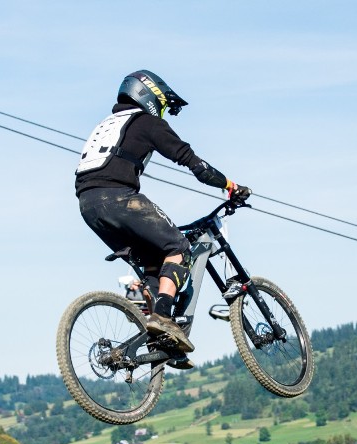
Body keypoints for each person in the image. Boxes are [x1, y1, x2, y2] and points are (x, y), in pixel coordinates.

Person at [75, 70, 251, 367]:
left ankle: (162, 338)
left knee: (154, 266)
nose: (165, 111)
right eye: (163, 104)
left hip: (88, 206)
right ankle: (161, 319)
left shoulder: (106, 124)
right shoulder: (145, 122)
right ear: (149, 95)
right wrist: (230, 187)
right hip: (118, 198)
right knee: (178, 248)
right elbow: (191, 161)